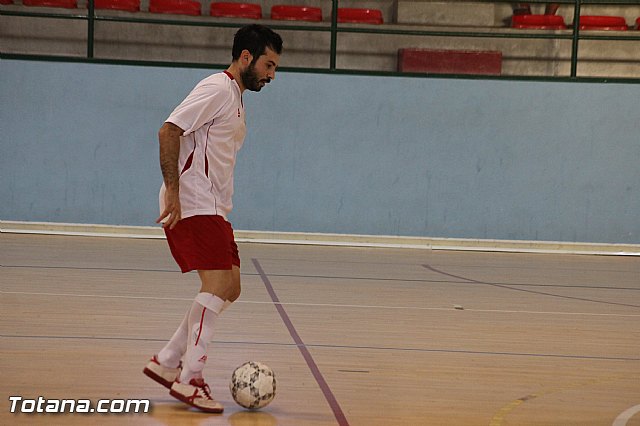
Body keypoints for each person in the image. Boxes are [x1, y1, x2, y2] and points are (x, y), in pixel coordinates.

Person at [143, 24, 283, 413]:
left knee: (230, 287)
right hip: (193, 200)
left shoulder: (234, 97)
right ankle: (190, 378)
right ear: (246, 58)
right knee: (217, 283)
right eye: (269, 65)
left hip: (214, 205)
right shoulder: (217, 88)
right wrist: (174, 190)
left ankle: (167, 360)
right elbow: (168, 131)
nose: (272, 75)